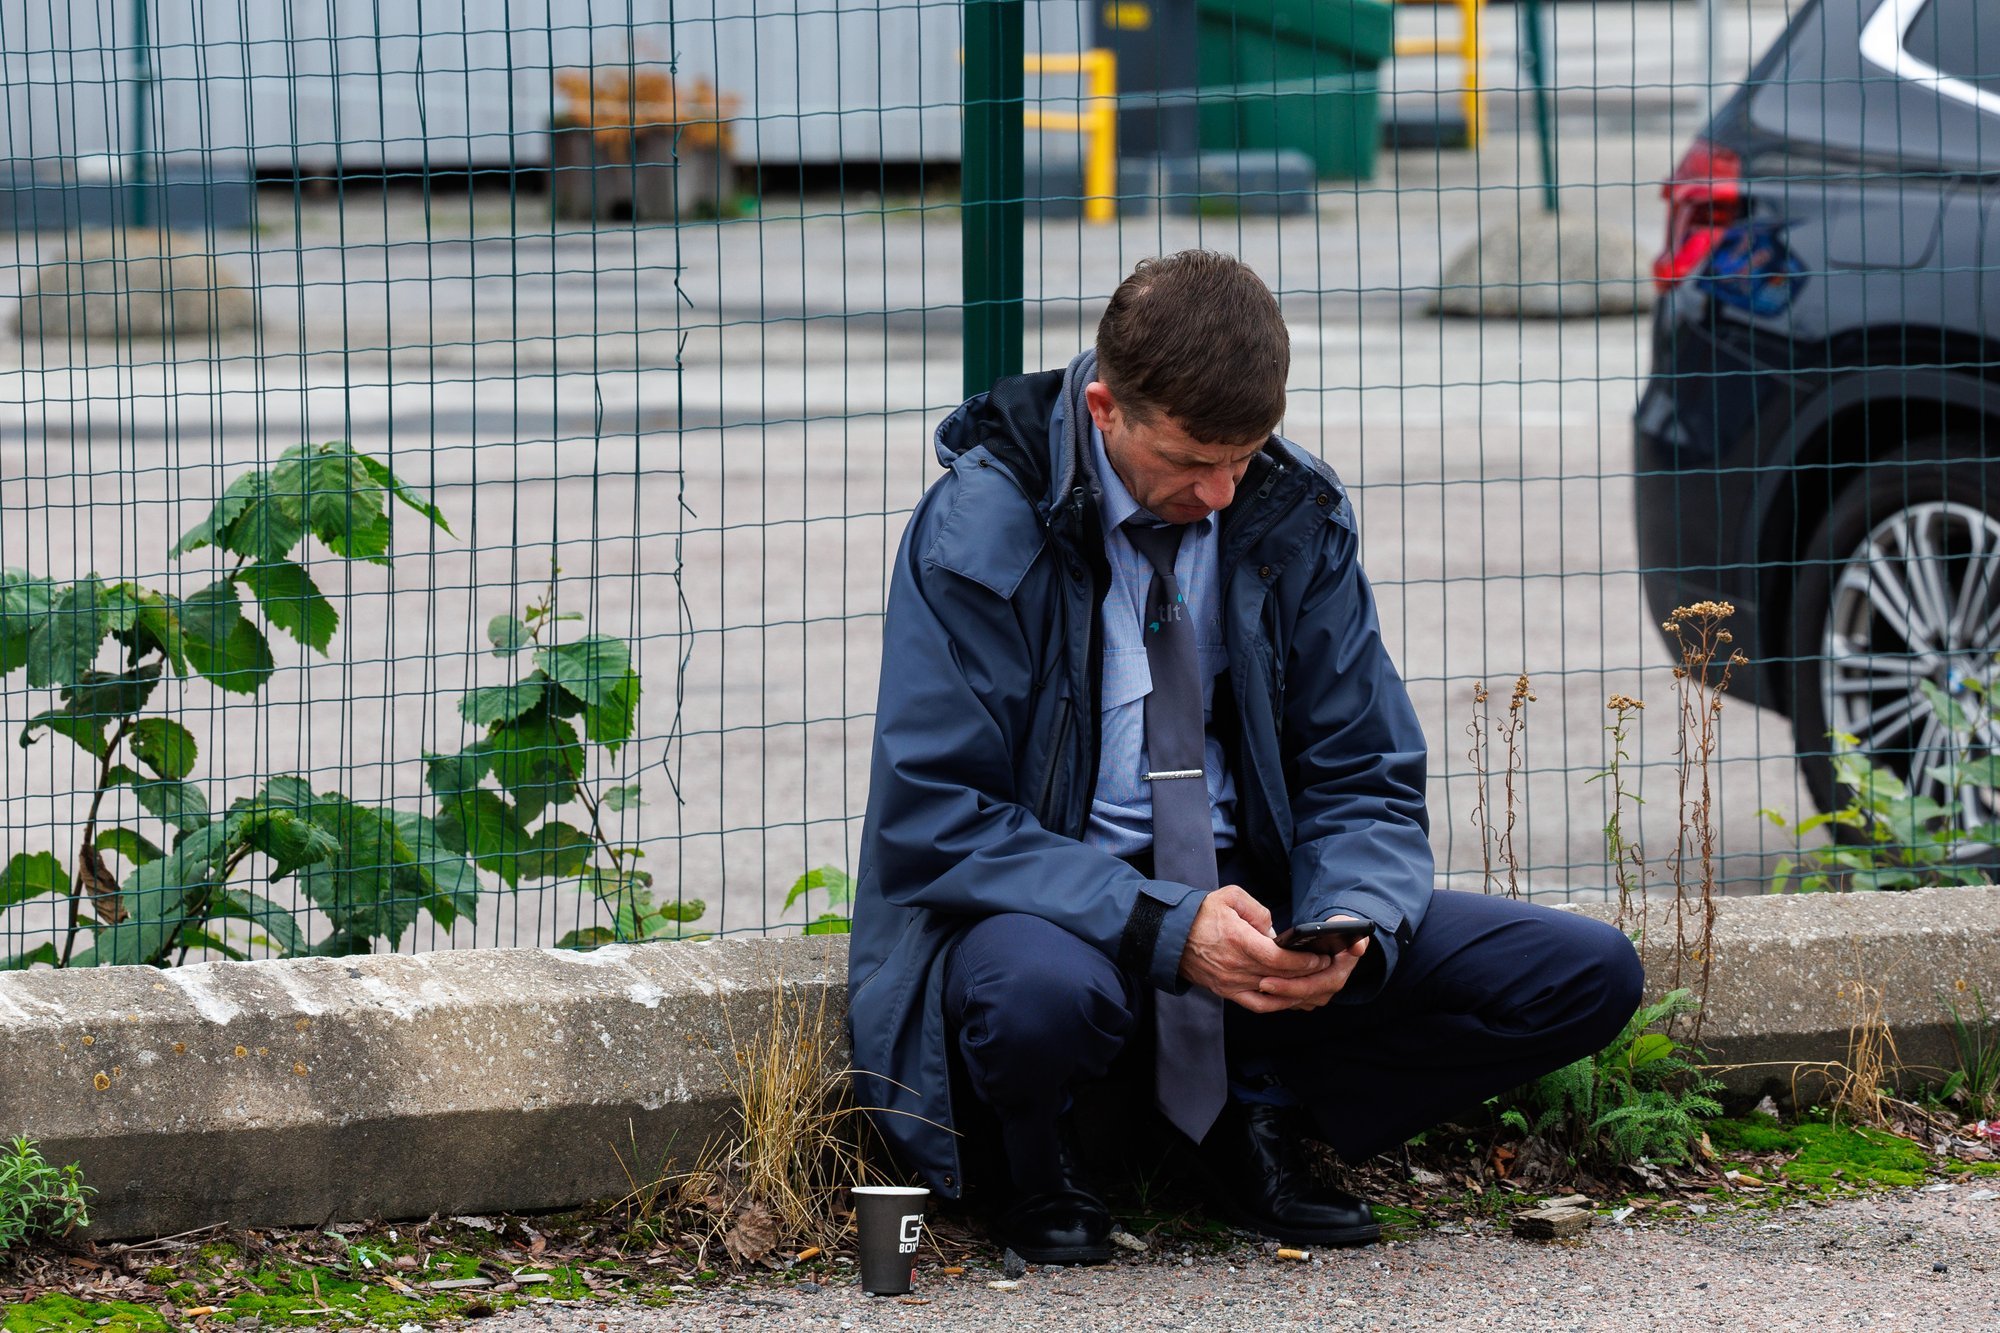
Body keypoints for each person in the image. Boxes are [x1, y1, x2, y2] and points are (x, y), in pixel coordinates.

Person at [848, 251, 1643, 1263]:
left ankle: (1247, 1113)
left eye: (1243, 452)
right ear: (1103, 407)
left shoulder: (1288, 511)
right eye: (1189, 460)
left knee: (1582, 976)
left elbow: (1363, 769)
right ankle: (1035, 1160)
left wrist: (1348, 916)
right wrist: (1167, 924)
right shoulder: (981, 527)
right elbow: (935, 813)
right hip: (1056, 906)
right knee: (1034, 998)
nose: (1220, 492)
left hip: (1250, 897)